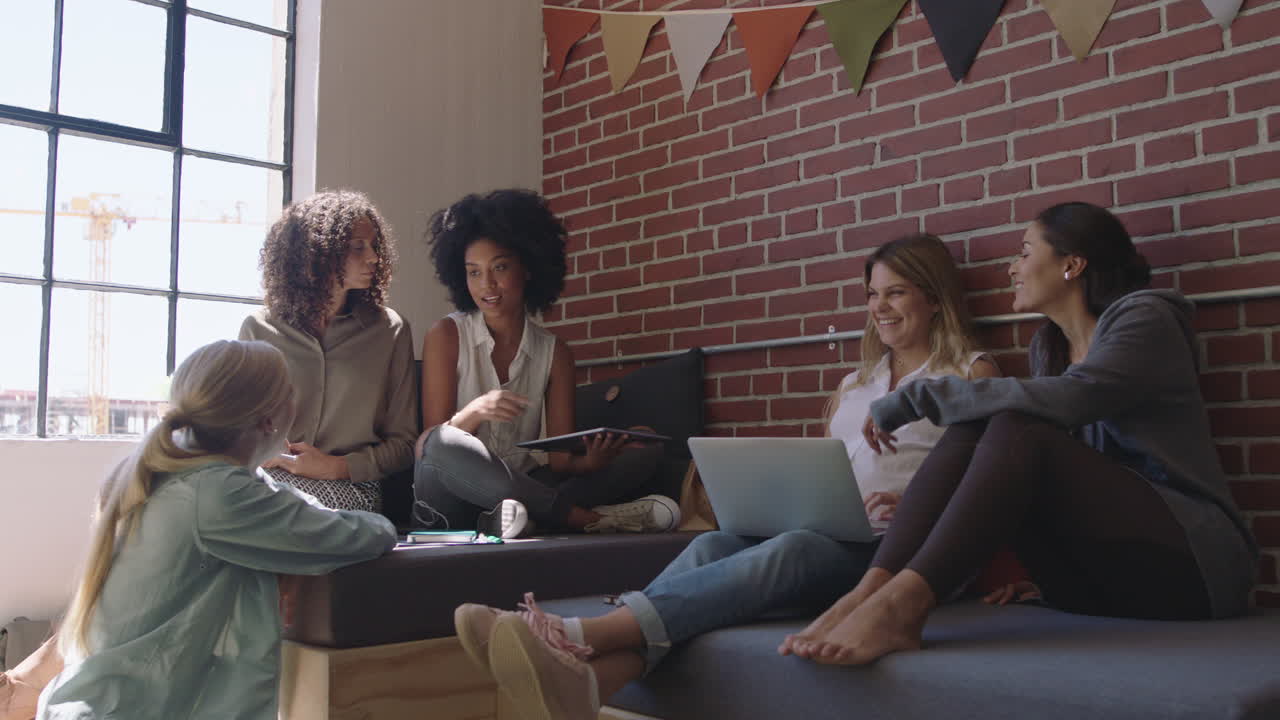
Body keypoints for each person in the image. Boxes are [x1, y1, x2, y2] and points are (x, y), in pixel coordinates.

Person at [452, 233, 1000, 719]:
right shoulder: (856, 383)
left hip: (897, 550)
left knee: (794, 549)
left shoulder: (971, 373)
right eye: (873, 294)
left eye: (896, 293)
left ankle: (578, 635)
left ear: (934, 297)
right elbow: (833, 465)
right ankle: (593, 683)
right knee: (713, 542)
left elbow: (985, 480)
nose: (880, 307)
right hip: (837, 528)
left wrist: (917, 506)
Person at [781, 201, 1258, 666]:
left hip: (1196, 570)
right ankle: (869, 591)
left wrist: (916, 396)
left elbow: (1076, 398)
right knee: (983, 420)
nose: (1012, 268)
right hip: (1104, 577)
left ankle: (902, 606)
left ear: (1072, 264)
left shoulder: (1146, 320)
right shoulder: (1049, 347)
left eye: (1025, 252)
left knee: (1013, 421)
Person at [24, 340, 397, 719]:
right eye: (290, 391)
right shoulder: (217, 494)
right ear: (269, 420)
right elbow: (363, 535)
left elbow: (299, 511)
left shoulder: (181, 474)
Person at [412, 189, 677, 536]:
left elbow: (560, 460)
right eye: (473, 272)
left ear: (528, 268)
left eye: (499, 267)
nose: (486, 284)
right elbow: (428, 446)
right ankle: (585, 518)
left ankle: (515, 519)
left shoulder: (556, 353)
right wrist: (475, 411)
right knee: (442, 442)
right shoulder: (446, 335)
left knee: (647, 446)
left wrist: (591, 461)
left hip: (524, 488)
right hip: (452, 497)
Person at [239, 190, 418, 512]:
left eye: (374, 246)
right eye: (358, 247)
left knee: (265, 507)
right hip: (269, 478)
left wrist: (336, 467)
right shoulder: (258, 328)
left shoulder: (390, 331)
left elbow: (405, 444)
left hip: (351, 487)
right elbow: (239, 424)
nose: (373, 258)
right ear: (318, 253)